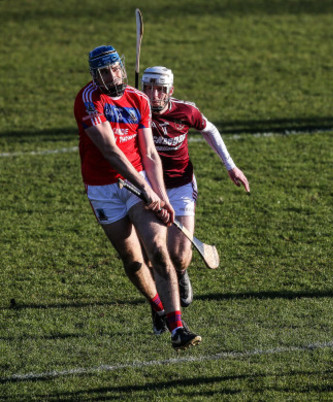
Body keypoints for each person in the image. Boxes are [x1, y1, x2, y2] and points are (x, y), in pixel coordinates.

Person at [73, 45, 201, 350]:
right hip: (103, 188)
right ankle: (157, 304)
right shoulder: (89, 100)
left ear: (122, 67)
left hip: (139, 182)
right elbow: (110, 151)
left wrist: (160, 195)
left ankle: (177, 328)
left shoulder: (138, 99)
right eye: (104, 72)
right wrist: (145, 190)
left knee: (158, 248)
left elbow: (149, 153)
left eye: (115, 69)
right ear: (94, 75)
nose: (112, 76)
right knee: (132, 261)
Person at [140, 66, 250, 334]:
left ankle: (180, 274)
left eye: (160, 89)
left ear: (170, 91)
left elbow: (209, 130)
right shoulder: (135, 111)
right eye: (149, 88)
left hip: (180, 188)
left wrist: (230, 166)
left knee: (178, 254)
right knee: (152, 255)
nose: (154, 95)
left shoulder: (185, 112)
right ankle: (160, 308)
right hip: (148, 189)